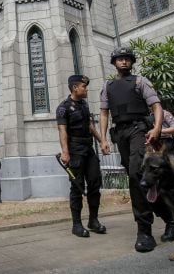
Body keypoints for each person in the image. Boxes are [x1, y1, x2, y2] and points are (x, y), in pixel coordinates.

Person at [99, 46, 174, 253]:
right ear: (114, 62)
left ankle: (144, 231)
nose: (123, 62)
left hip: (139, 131)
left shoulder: (140, 81)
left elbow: (156, 106)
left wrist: (157, 128)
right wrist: (103, 138)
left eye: (127, 59)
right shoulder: (108, 86)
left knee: (136, 175)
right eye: (120, 59)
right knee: (141, 181)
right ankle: (170, 219)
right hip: (121, 135)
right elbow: (104, 113)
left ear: (132, 62)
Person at [56, 74, 108, 237]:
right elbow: (62, 130)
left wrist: (102, 140)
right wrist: (65, 152)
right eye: (84, 87)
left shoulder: (84, 104)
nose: (86, 89)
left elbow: (89, 125)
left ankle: (93, 221)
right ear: (75, 88)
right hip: (75, 151)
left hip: (88, 149)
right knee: (77, 187)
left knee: (94, 184)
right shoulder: (63, 107)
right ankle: (76, 225)